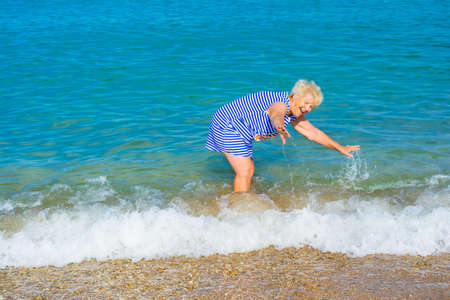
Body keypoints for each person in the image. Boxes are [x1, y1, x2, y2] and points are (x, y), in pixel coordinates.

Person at [206, 79, 360, 193]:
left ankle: (242, 197)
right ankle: (239, 208)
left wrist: (340, 148)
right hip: (227, 124)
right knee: (244, 171)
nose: (307, 109)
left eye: (311, 106)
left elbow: (313, 133)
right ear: (294, 96)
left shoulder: (294, 113)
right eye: (306, 103)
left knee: (249, 169)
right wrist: (279, 125)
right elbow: (276, 114)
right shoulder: (282, 103)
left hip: (241, 130)